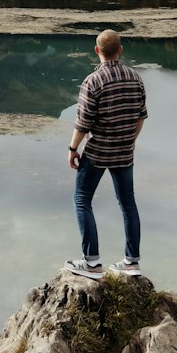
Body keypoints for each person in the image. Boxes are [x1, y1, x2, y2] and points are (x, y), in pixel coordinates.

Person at [64, 28, 146, 279]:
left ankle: (92, 263)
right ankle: (131, 262)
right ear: (120, 50)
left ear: (97, 51)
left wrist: (73, 149)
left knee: (82, 199)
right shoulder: (135, 78)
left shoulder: (93, 81)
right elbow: (141, 116)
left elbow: (83, 123)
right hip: (124, 152)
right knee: (128, 204)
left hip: (98, 152)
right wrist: (128, 140)